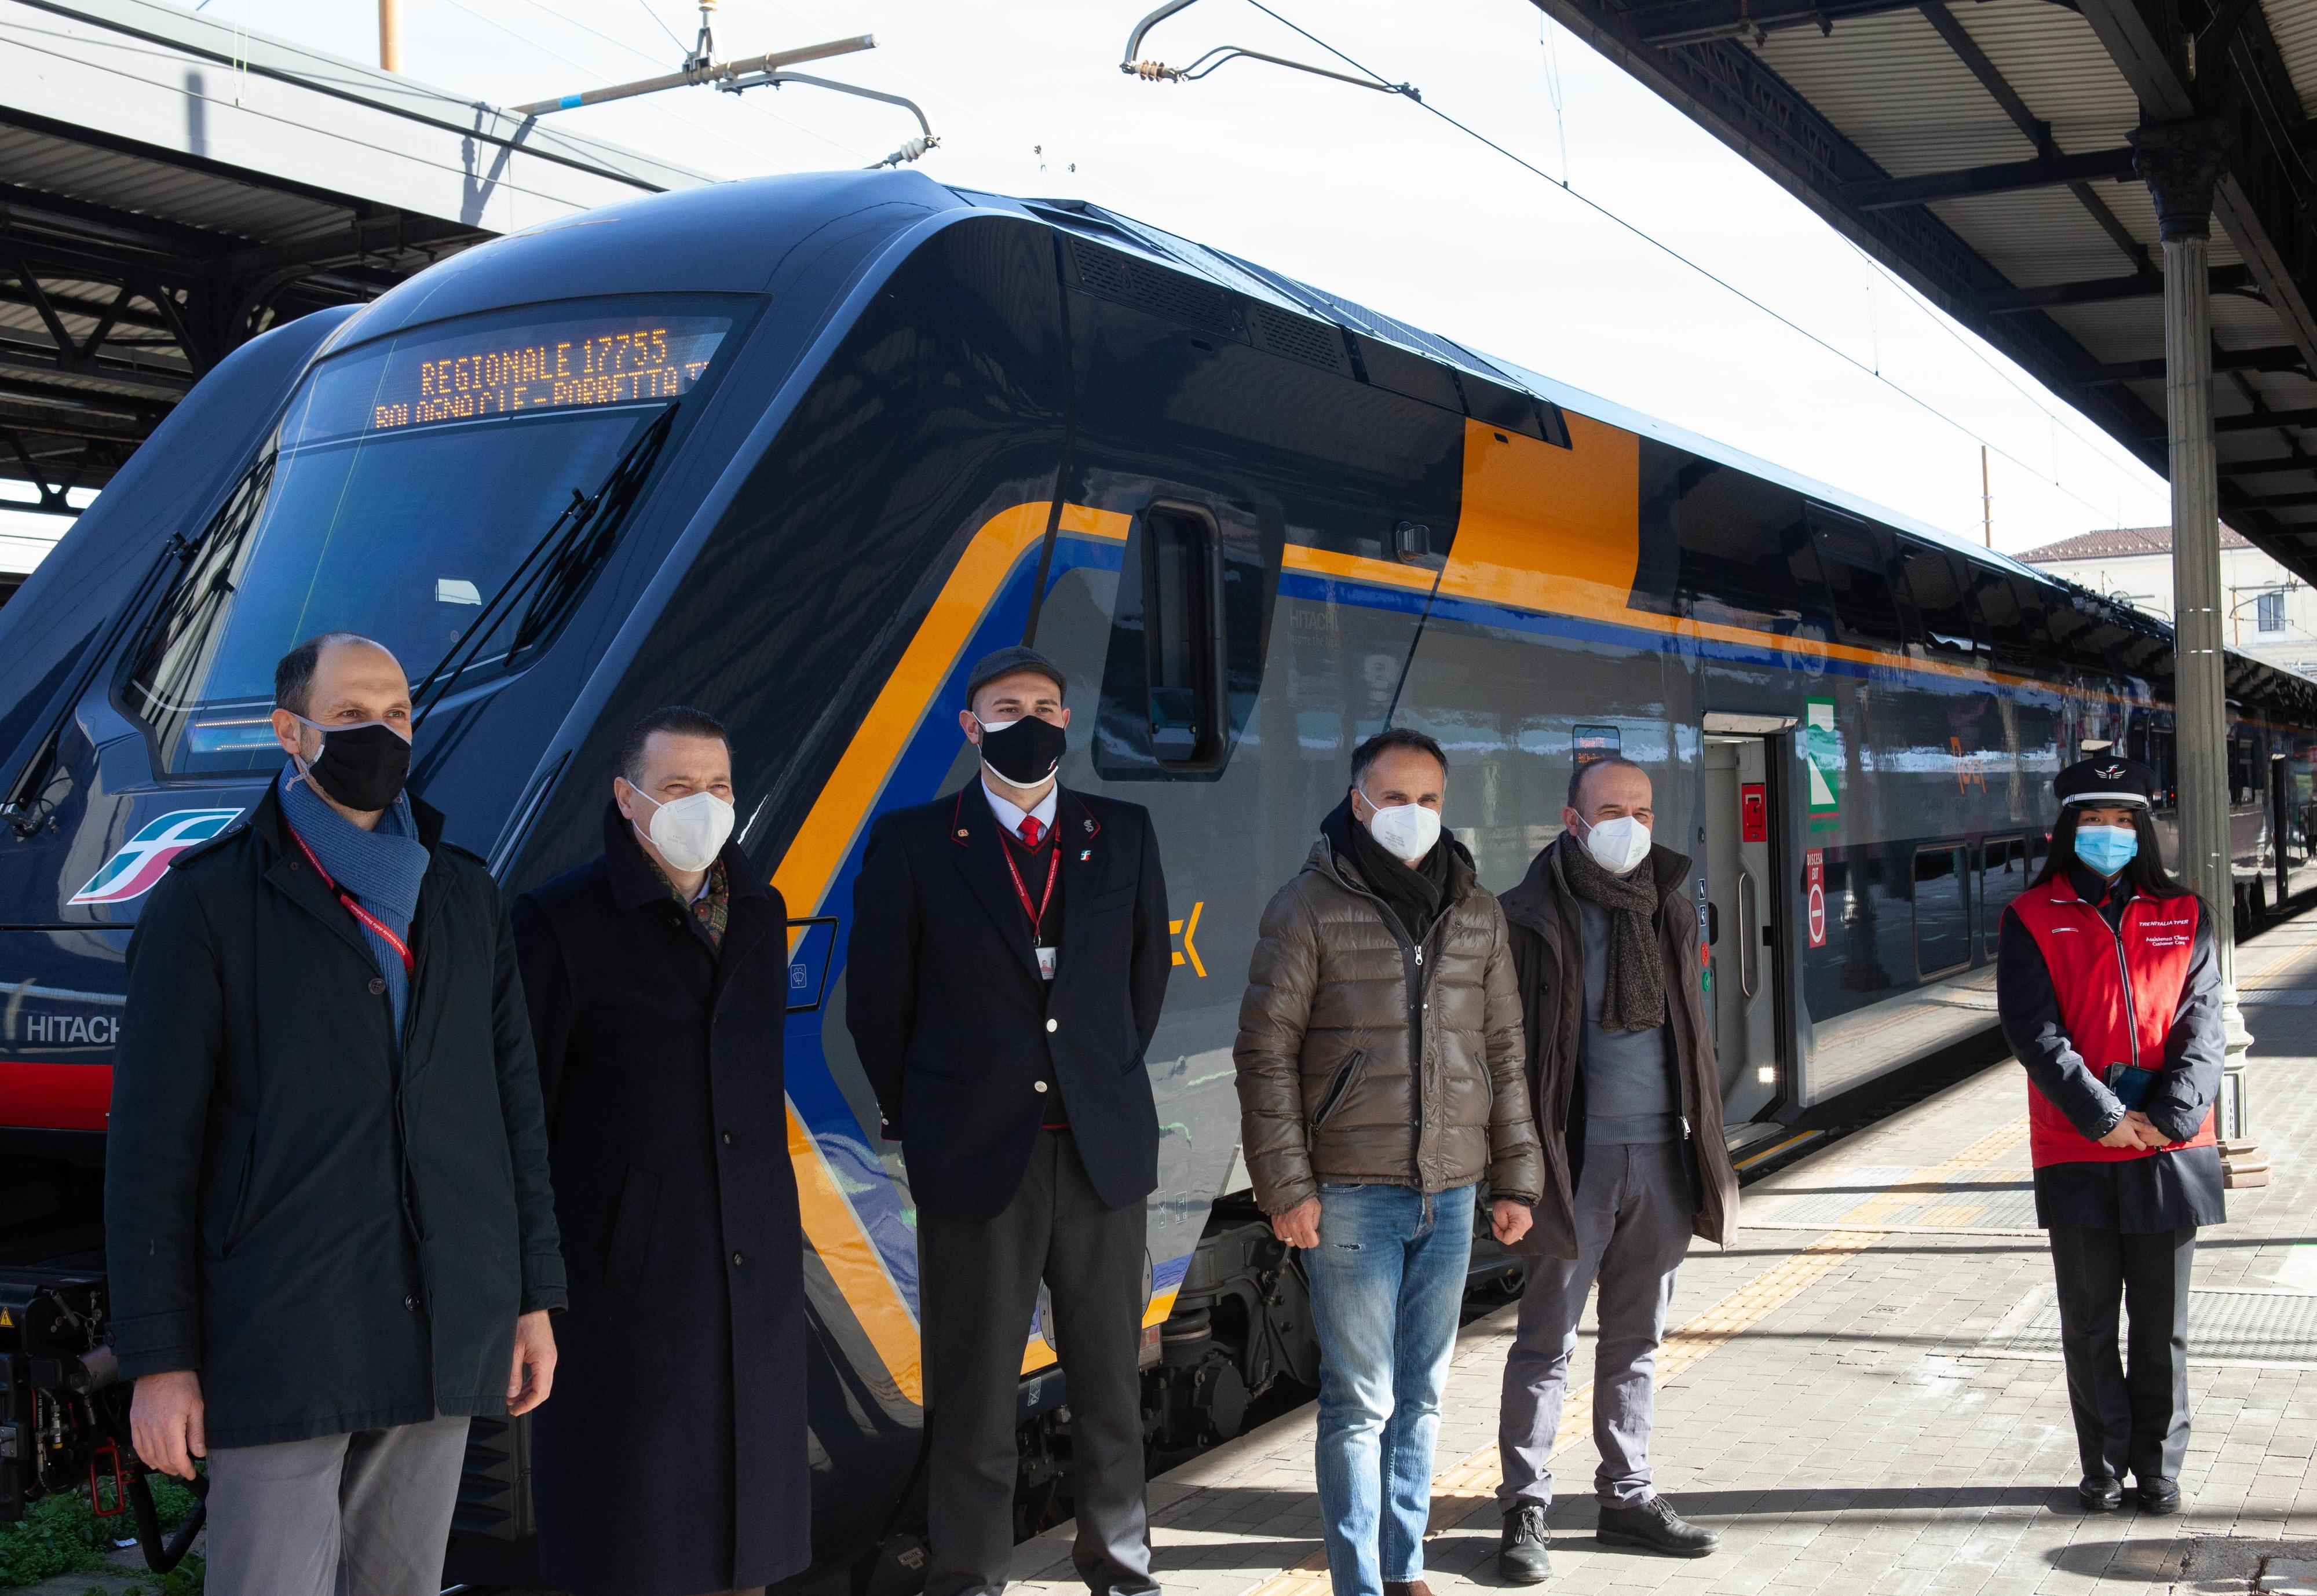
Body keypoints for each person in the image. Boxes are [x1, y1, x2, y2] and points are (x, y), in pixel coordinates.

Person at [106, 632, 564, 1596]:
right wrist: (160, 1362)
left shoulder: (464, 897)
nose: (381, 734)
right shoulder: (208, 904)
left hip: (442, 1315)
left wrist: (529, 1298)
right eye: (351, 716)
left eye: (396, 714)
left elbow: (512, 1110)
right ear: (291, 732)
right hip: (280, 1336)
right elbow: (152, 1153)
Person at [845, 646, 1172, 1596]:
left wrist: (1091, 1074)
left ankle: (1119, 1562)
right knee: (976, 1389)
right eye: (1005, 704)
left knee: (1111, 1380)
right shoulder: (913, 842)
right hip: (977, 1157)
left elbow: (1141, 983)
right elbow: (878, 1003)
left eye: (1043, 704)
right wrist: (931, 1117)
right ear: (970, 724)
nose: (1026, 717)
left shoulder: (1124, 831)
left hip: (1100, 1152)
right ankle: (968, 1575)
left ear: (1066, 721)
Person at [1234, 727, 1541, 1596]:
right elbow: (1264, 1054)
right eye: (1395, 798)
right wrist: (1286, 1187)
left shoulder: (1477, 910)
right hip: (1350, 1196)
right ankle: (1357, 1582)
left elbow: (1505, 1050)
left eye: (1429, 800)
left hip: (1450, 1193)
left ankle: (1406, 1568)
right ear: (1358, 802)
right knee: (1361, 1400)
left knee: (1424, 1397)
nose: (1413, 815)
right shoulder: (1308, 906)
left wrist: (1515, 1178)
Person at [513, 707, 808, 1596]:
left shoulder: (757, 910)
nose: (705, 805)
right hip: (625, 1290)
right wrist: (533, 1290)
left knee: (743, 1543)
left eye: (718, 787)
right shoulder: (559, 922)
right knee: (632, 1538)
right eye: (678, 787)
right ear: (627, 798)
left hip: (748, 1271)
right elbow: (521, 1115)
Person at [1492, 755, 1737, 1582]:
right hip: (1574, 1159)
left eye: (1642, 809)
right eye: (1611, 810)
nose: (1629, 824)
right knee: (1545, 1341)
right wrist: (1513, 1173)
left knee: (1637, 1339)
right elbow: (1505, 1055)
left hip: (1660, 1154)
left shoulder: (1670, 908)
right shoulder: (1523, 918)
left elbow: (1692, 1042)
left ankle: (1626, 1498)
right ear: (1572, 821)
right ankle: (1527, 1506)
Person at [1996, 754, 2223, 1516]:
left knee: (2163, 1328)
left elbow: (2204, 1029)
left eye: (2125, 821)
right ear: (2069, 828)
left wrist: (2167, 1117)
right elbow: (2035, 1033)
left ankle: (2158, 1472)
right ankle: (2103, 1468)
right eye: (2095, 821)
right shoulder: (2031, 915)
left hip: (2169, 1148)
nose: (2111, 834)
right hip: (2077, 1147)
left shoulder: (2186, 913)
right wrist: (2103, 1116)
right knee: (2089, 1323)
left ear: (2144, 831)